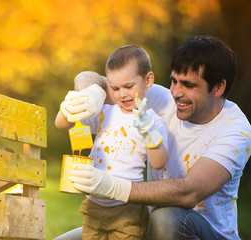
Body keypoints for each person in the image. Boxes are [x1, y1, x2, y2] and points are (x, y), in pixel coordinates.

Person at [57, 36, 251, 240]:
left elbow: (189, 192)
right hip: (147, 226)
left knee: (167, 217)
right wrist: (92, 92)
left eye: (189, 85)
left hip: (206, 233)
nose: (176, 92)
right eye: (174, 81)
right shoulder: (164, 99)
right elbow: (91, 77)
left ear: (218, 88)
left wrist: (110, 186)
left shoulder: (236, 129)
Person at [56, 45, 169, 239]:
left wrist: (150, 134)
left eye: (128, 86)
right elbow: (61, 125)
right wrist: (68, 108)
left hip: (127, 208)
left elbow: (159, 162)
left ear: (148, 80)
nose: (122, 94)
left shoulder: (152, 121)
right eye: (115, 88)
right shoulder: (105, 112)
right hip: (94, 206)